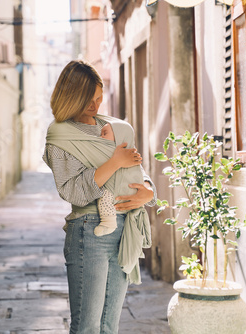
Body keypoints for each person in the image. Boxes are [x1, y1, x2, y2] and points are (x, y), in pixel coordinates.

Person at [42, 60, 156, 334]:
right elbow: (73, 191)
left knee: (109, 326)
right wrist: (114, 162)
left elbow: (135, 168)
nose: (95, 107)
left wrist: (148, 193)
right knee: (87, 327)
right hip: (89, 232)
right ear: (71, 97)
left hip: (124, 230)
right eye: (88, 100)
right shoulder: (60, 135)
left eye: (98, 99)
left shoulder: (114, 126)